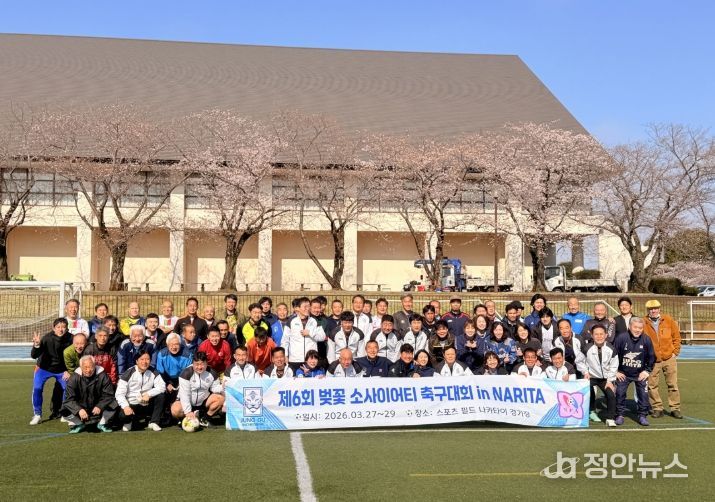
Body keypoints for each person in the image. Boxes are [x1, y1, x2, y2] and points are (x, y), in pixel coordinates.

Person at [643, 299, 682, 419]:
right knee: (652, 385)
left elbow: (676, 337)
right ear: (648, 310)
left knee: (672, 384)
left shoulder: (668, 320)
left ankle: (675, 408)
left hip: (669, 358)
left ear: (659, 309)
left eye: (655, 308)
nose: (653, 311)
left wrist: (675, 352)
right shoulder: (643, 322)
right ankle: (657, 408)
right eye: (651, 309)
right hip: (652, 360)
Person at [614, 317, 656, 426]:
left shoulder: (646, 339)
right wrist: (616, 371)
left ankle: (642, 415)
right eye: (635, 327)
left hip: (640, 374)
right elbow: (613, 355)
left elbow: (652, 357)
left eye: (640, 328)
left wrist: (647, 371)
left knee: (643, 395)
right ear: (629, 327)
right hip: (623, 373)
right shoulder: (621, 338)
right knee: (619, 393)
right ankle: (620, 414)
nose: (637, 330)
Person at [29, 318, 72, 425]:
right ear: (53, 328)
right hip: (44, 368)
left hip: (62, 370)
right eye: (58, 327)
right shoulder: (47, 338)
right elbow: (34, 355)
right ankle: (37, 415)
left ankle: (65, 414)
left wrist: (69, 370)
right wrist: (37, 345)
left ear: (67, 328)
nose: (61, 329)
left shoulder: (71, 338)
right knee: (37, 388)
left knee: (67, 389)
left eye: (63, 327)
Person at [60, 355, 117, 433]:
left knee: (114, 403)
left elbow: (109, 395)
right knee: (64, 408)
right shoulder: (74, 378)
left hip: (98, 408)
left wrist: (100, 406)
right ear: (81, 367)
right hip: (81, 408)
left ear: (94, 365)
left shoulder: (103, 375)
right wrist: (78, 410)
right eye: (85, 367)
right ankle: (78, 424)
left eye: (91, 367)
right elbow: (69, 399)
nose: (88, 370)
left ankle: (102, 423)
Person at [116, 351, 166, 431]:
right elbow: (119, 394)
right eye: (142, 359)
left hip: (146, 403)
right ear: (137, 361)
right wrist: (126, 407)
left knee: (161, 396)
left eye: (147, 359)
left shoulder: (153, 371)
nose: (145, 362)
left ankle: (154, 422)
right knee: (123, 415)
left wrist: (148, 394)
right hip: (132, 404)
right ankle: (128, 422)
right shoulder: (129, 372)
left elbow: (162, 386)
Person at [171, 351, 225, 426]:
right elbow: (184, 394)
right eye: (197, 364)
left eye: (202, 364)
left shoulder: (212, 373)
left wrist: (222, 387)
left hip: (203, 402)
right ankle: (185, 419)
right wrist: (188, 411)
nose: (199, 367)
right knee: (175, 410)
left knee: (221, 399)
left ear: (206, 363)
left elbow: (214, 388)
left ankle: (205, 419)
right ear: (193, 363)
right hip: (188, 402)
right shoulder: (185, 373)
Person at [582, 325, 618, 426]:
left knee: (611, 395)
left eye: (601, 334)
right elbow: (580, 361)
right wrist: (585, 372)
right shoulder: (587, 348)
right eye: (596, 334)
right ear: (592, 335)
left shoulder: (611, 349)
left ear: (606, 335)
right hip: (591, 377)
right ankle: (591, 411)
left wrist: (610, 380)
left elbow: (614, 365)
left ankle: (610, 418)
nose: (599, 336)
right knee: (588, 392)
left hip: (605, 379)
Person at [155, 333, 193, 420]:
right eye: (171, 344)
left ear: (180, 344)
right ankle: (165, 414)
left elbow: (188, 372)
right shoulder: (161, 354)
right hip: (166, 378)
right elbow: (160, 371)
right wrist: (167, 383)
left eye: (176, 344)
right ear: (167, 345)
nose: (174, 347)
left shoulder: (187, 354)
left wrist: (180, 384)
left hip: (182, 378)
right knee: (163, 392)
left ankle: (184, 414)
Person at [281, 297, 326, 371]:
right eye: (305, 307)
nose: (307, 309)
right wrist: (285, 355)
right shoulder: (291, 321)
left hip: (311, 360)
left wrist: (310, 333)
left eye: (308, 306)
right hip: (295, 360)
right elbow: (285, 340)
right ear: (298, 308)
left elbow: (322, 337)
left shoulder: (314, 321)